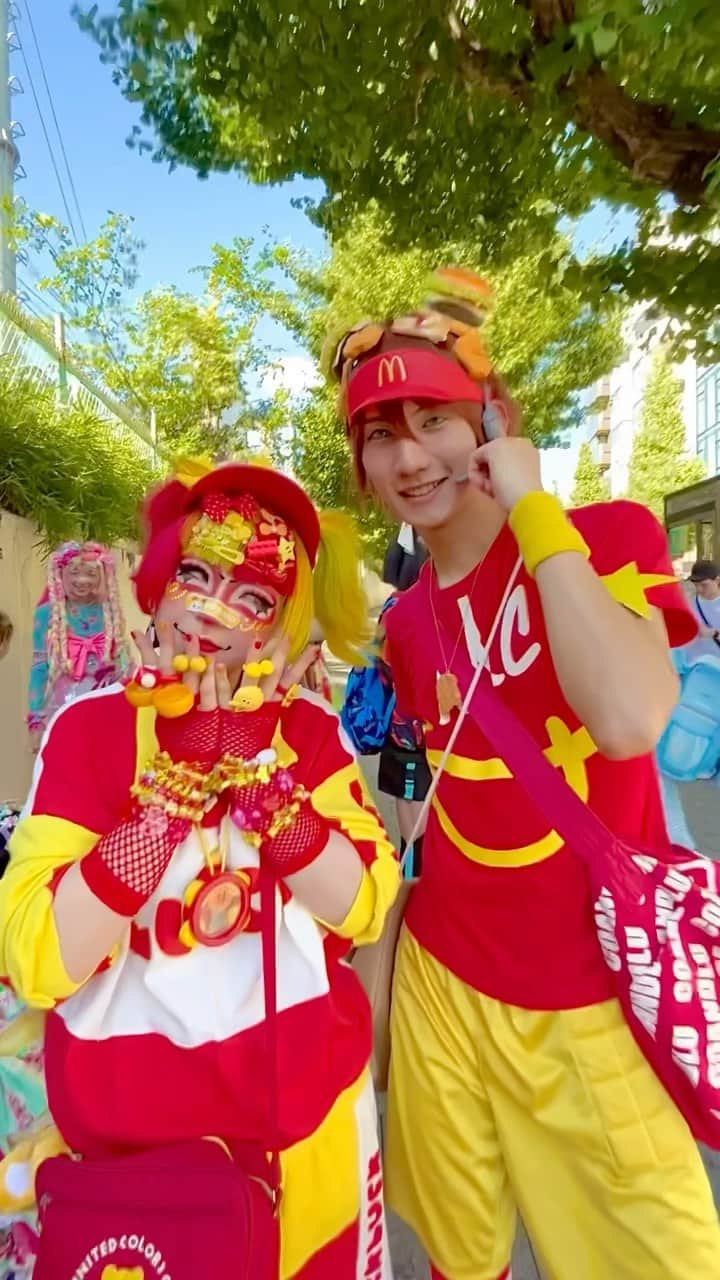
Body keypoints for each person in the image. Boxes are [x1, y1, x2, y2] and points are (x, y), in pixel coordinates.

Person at [331, 268, 720, 1280]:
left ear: (491, 423)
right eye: (381, 433)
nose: (412, 455)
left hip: (588, 999)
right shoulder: (405, 623)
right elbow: (412, 807)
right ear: (362, 466)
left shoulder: (606, 537)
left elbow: (632, 715)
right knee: (462, 1253)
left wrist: (536, 510)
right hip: (442, 988)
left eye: (436, 419)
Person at [0, 457, 398, 1278]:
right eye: (196, 574)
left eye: (255, 597)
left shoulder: (312, 734)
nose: (216, 612)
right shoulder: (91, 731)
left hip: (310, 1141)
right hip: (135, 1163)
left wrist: (261, 781)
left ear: (281, 624)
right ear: (158, 582)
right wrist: (171, 794)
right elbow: (37, 955)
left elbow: (361, 905)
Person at [26, 541, 129, 750]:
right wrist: (35, 720)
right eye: (74, 573)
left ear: (102, 576)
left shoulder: (109, 612)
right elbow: (39, 667)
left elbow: (123, 663)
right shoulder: (46, 614)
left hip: (104, 708)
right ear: (60, 573)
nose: (82, 580)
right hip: (63, 708)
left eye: (90, 573)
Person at [378, 534, 431, 875]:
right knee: (419, 816)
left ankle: (413, 875)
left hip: (402, 727)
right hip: (419, 729)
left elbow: (383, 663)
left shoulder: (392, 607)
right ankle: (413, 880)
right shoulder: (422, 604)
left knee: (408, 811)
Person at [683, 559, 720, 663]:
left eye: (704, 585)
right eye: (696, 585)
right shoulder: (688, 603)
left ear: (717, 580)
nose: (699, 589)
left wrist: (714, 633)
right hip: (694, 667)